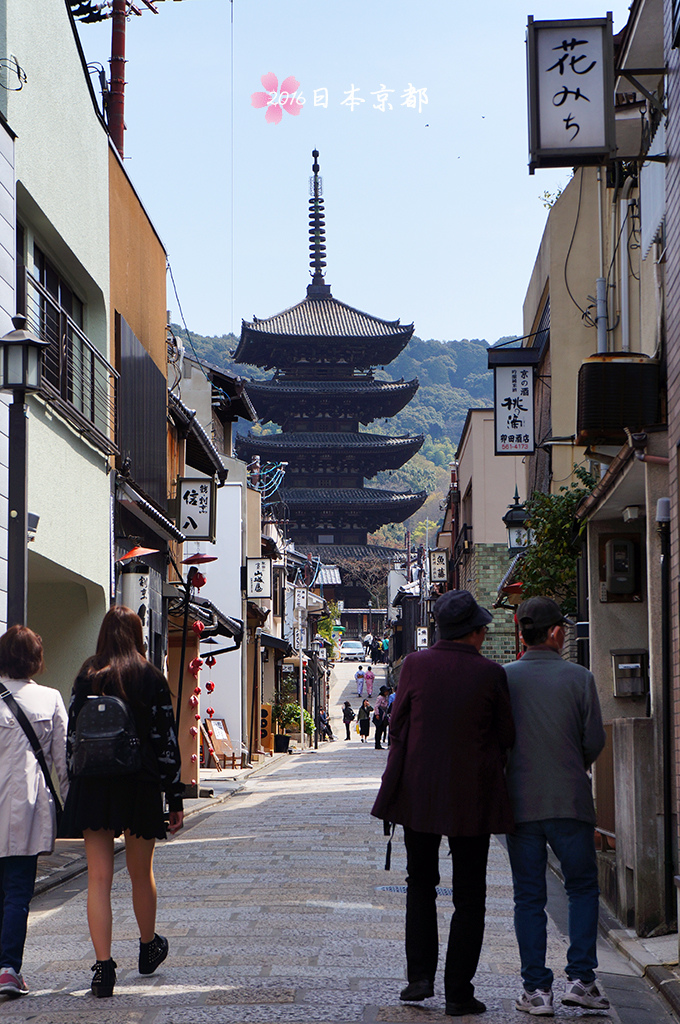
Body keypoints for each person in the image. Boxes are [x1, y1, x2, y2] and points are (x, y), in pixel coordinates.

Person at [372, 590, 515, 1018]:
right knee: (470, 894)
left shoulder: (414, 666)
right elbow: (506, 735)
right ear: (473, 632)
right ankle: (458, 992)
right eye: (483, 628)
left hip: (419, 791)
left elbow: (397, 726)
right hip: (473, 794)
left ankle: (419, 978)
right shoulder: (491, 674)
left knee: (421, 883)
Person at [61, 606, 184, 998]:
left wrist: (72, 784)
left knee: (98, 877)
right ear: (138, 635)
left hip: (93, 785)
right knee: (139, 871)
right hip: (139, 783)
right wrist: (175, 795)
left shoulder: (86, 675)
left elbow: (71, 737)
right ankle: (148, 947)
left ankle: (103, 969)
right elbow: (166, 741)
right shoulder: (149, 676)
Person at [504, 597, 608, 1017]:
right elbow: (594, 740)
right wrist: (573, 763)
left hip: (520, 803)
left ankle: (537, 991)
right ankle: (582, 980)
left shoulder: (504, 678)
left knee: (528, 897)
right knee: (581, 887)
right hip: (569, 800)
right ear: (555, 632)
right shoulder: (579, 678)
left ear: (520, 633)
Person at [0, 626, 68, 998]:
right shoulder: (51, 699)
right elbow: (62, 761)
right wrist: (74, 805)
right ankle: (8, 968)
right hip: (27, 808)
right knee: (17, 892)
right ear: (37, 660)